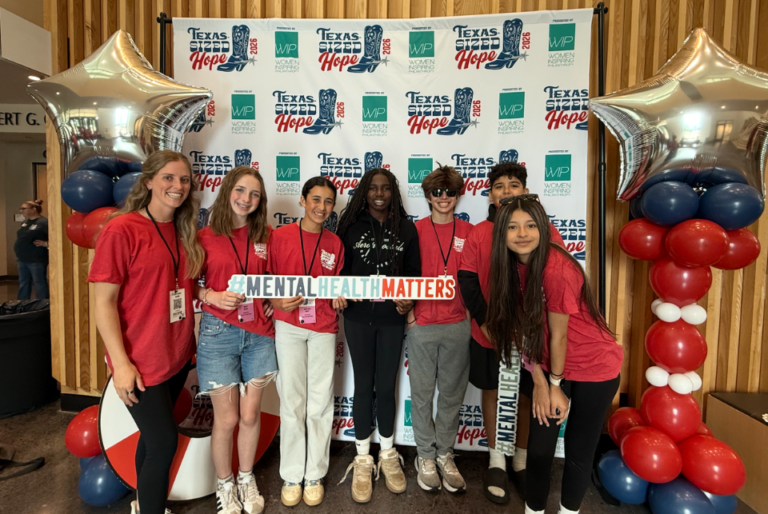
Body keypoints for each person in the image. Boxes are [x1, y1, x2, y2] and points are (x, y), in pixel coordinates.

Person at [486, 196, 623, 514]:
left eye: (531, 225)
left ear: (544, 228)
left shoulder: (556, 268)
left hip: (594, 367)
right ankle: (533, 511)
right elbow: (523, 326)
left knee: (578, 451)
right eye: (513, 226)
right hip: (549, 365)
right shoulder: (510, 267)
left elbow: (558, 335)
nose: (522, 233)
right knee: (538, 450)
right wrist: (539, 379)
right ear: (502, 233)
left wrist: (555, 384)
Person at [89, 150, 204, 514]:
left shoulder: (185, 229)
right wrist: (120, 365)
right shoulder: (122, 229)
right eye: (169, 178)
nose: (177, 186)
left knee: (154, 440)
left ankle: (144, 504)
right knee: (164, 442)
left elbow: (183, 287)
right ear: (149, 181)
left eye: (184, 180)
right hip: (140, 360)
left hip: (176, 353)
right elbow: (103, 303)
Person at [458, 161, 564, 504]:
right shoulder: (478, 231)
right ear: (490, 193)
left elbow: (559, 270)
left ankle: (520, 458)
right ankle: (496, 461)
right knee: (492, 390)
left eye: (513, 185)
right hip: (490, 331)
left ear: (525, 190)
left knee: (527, 396)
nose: (506, 191)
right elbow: (468, 279)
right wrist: (487, 321)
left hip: (532, 334)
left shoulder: (541, 226)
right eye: (499, 186)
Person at [336, 168, 421, 503]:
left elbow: (414, 274)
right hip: (357, 318)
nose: (380, 193)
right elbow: (338, 273)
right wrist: (339, 292)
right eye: (373, 188)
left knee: (387, 386)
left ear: (393, 192)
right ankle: (361, 457)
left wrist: (408, 299)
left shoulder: (407, 228)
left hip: (391, 319)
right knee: (363, 384)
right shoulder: (349, 227)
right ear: (364, 192)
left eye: (386, 188)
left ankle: (387, 452)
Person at [194, 166, 276, 514]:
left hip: (259, 334)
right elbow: (187, 285)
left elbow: (277, 278)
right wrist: (210, 295)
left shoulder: (267, 236)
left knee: (250, 413)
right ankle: (224, 484)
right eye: (241, 191)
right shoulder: (203, 236)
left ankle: (246, 477)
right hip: (218, 333)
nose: (246, 199)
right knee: (225, 419)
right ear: (228, 191)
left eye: (254, 194)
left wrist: (273, 299)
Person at [268, 177, 346, 508]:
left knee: (319, 401)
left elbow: (338, 283)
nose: (322, 207)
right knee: (292, 400)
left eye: (329, 202)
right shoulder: (279, 237)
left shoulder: (335, 243)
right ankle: (290, 474)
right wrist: (276, 301)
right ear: (302, 200)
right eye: (316, 199)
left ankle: (314, 472)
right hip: (288, 325)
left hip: (324, 326)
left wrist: (341, 296)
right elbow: (267, 282)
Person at [407, 166, 472, 493]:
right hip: (422, 325)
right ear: (428, 196)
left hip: (457, 325)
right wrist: (408, 316)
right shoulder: (415, 230)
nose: (443, 198)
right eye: (437, 192)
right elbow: (401, 276)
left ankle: (445, 453)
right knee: (420, 396)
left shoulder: (469, 231)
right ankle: (424, 456)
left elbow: (476, 280)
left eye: (449, 192)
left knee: (451, 396)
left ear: (458, 196)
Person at [15, 200, 49, 300]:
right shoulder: (25, 222)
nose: (21, 211)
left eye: (24, 209)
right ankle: (22, 304)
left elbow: (55, 237)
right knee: (23, 282)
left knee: (39, 283)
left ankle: (42, 305)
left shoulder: (43, 223)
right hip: (22, 258)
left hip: (36, 259)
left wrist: (45, 243)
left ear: (34, 209)